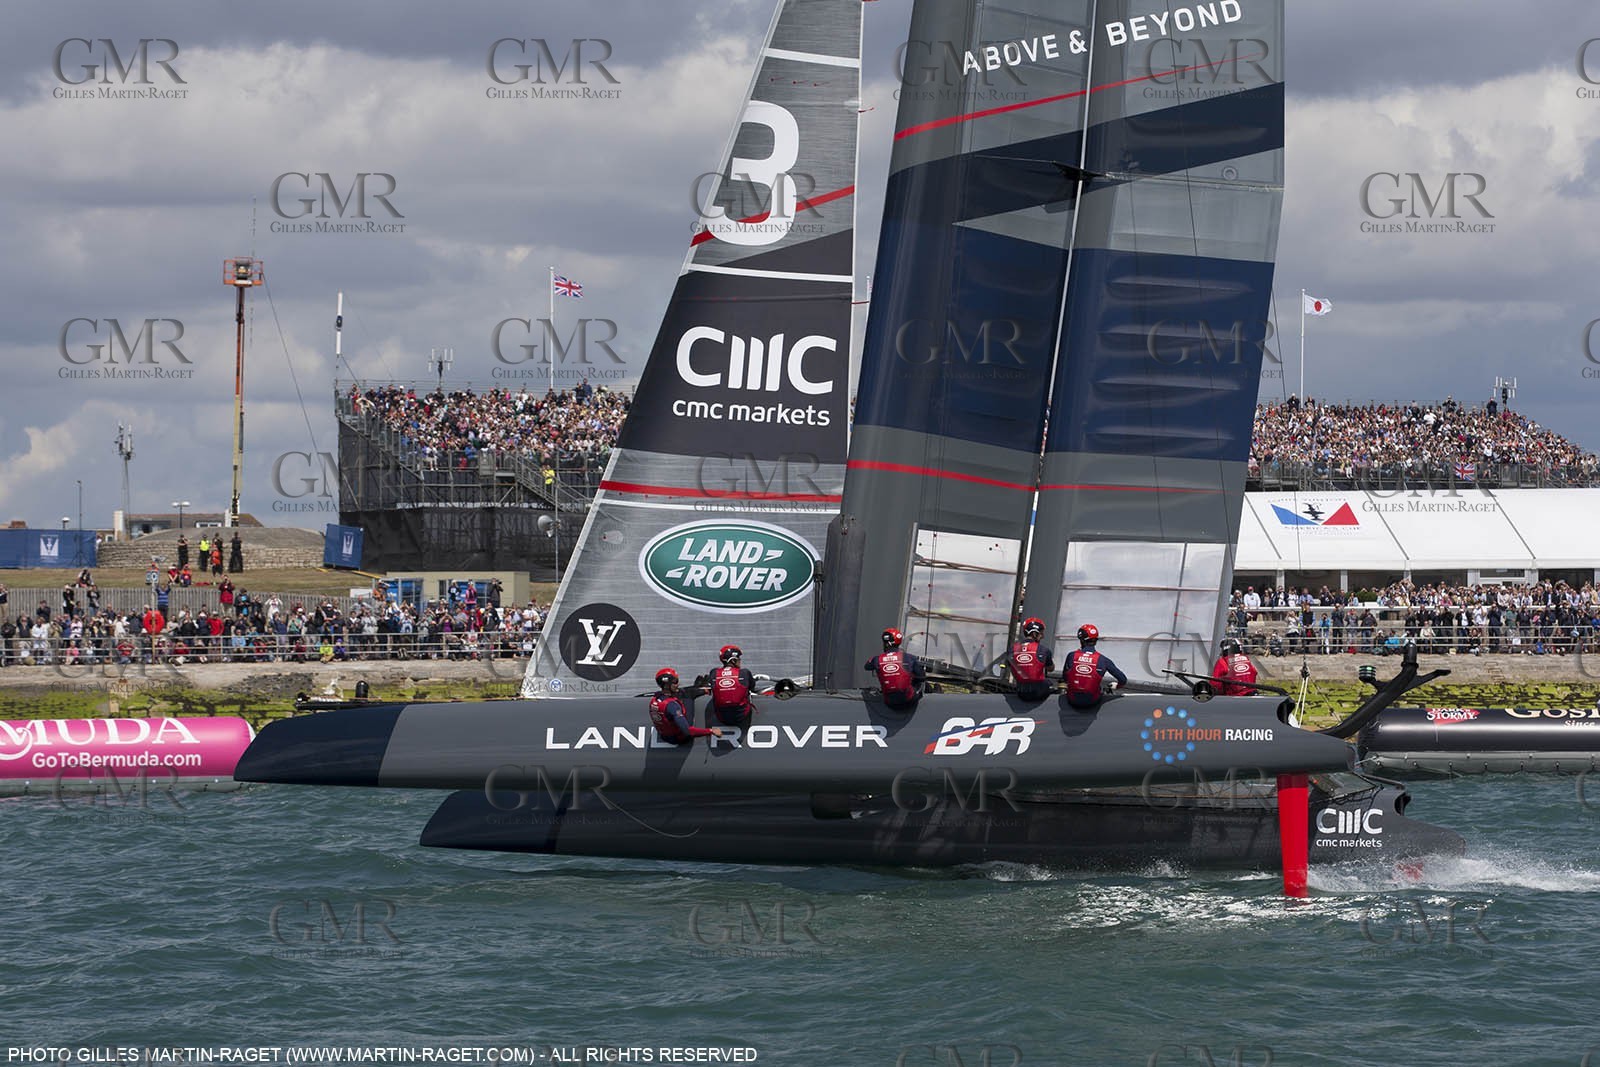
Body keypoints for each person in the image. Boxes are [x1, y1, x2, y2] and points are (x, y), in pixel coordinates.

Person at [1062, 623, 1128, 709]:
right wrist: (1117, 686)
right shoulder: (1103, 660)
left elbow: (1065, 678)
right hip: (1092, 701)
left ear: (1081, 640)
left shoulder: (1071, 655)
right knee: (1100, 688)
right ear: (1095, 641)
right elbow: (1123, 680)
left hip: (1072, 700)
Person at [649, 668, 723, 745]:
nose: (678, 684)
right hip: (679, 738)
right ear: (667, 686)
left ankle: (698, 687)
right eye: (675, 682)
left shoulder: (655, 699)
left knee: (681, 692)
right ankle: (704, 689)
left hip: (665, 735)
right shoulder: (673, 706)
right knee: (688, 695)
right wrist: (711, 731)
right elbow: (688, 731)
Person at [864, 627, 925, 709]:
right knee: (923, 684)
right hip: (908, 700)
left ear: (885, 643)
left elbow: (867, 666)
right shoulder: (909, 658)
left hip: (889, 701)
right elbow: (921, 677)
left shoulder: (877, 659)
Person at [1006, 617, 1056, 701]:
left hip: (1020, 691)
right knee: (1053, 684)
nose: (1043, 636)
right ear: (1034, 634)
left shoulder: (1012, 649)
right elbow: (1051, 669)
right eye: (1041, 633)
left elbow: (1010, 666)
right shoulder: (1043, 650)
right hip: (1039, 691)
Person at [707, 644, 756, 727]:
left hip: (721, 717)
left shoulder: (714, 673)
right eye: (738, 659)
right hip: (742, 715)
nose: (740, 660)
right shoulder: (744, 673)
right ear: (733, 660)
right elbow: (752, 687)